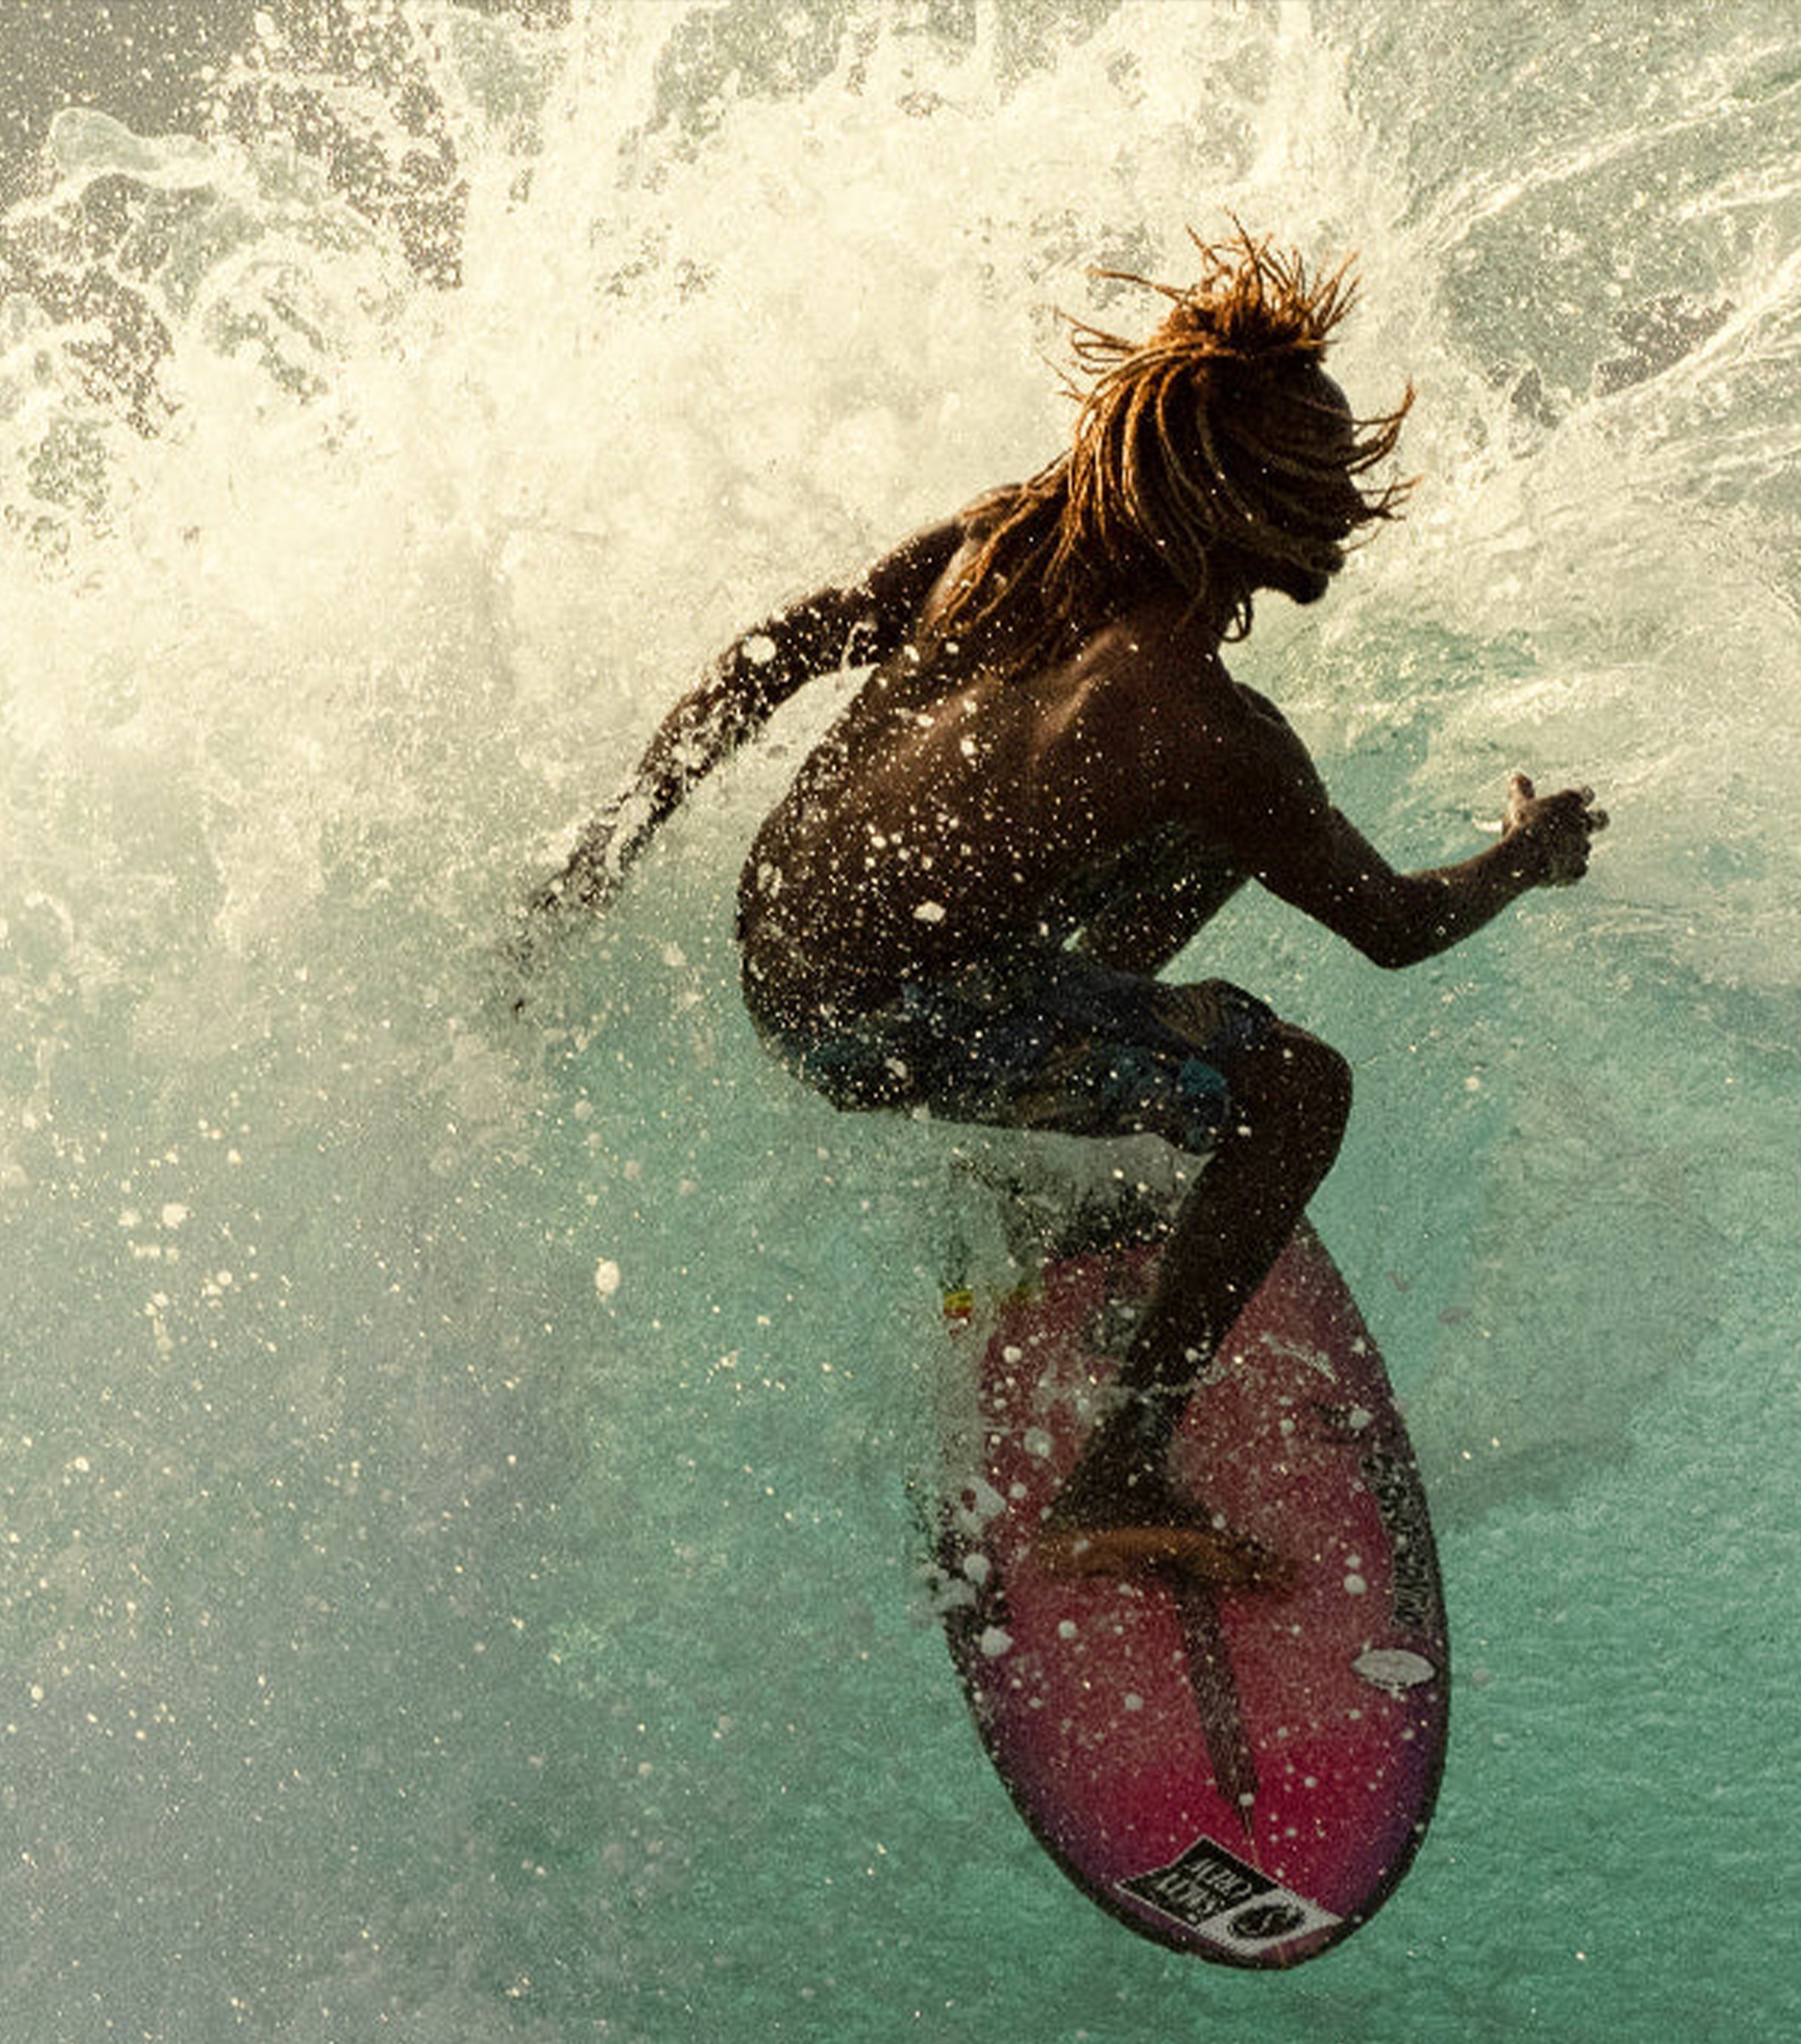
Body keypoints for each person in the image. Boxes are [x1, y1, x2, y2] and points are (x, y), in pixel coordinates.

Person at [520, 226, 1603, 1589]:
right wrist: (1519, 857)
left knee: (1197, 850)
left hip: (786, 934)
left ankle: (1040, 1127)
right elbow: (1389, 926)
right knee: (1296, 1094)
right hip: (874, 1024)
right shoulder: (1206, 731)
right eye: (1315, 480)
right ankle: (1120, 1472)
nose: (1345, 506)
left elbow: (786, 645)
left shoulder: (1011, 534)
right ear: (1228, 496)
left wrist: (619, 834)